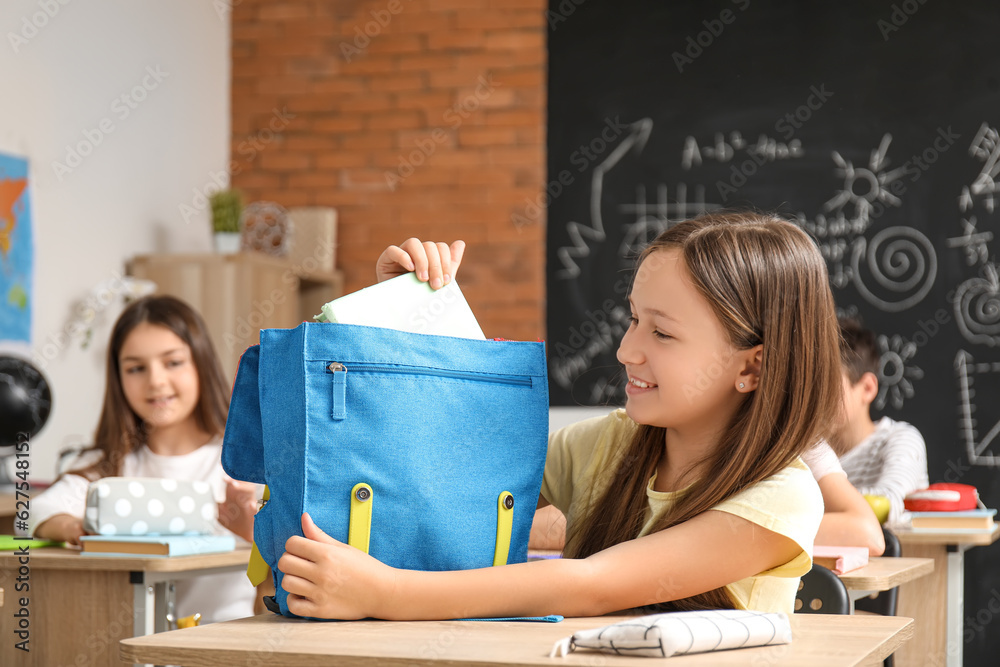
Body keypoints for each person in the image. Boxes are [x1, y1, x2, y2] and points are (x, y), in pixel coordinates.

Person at [276, 212, 842, 619]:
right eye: (634, 319)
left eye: (662, 332)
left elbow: (591, 586)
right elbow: (429, 484)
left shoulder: (781, 498)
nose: (626, 350)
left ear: (754, 368)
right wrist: (395, 323)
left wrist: (384, 595)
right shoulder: (603, 447)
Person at [27, 295, 260, 622]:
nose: (155, 381)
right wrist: (79, 528)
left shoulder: (243, 463)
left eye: (173, 362)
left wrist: (254, 534)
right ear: (118, 379)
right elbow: (35, 511)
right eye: (136, 368)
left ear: (201, 363)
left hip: (221, 644)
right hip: (132, 644)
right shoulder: (110, 464)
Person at [827, 317, 929, 526]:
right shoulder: (803, 451)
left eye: (828, 387)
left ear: (867, 388)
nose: (813, 399)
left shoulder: (900, 439)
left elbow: (890, 503)